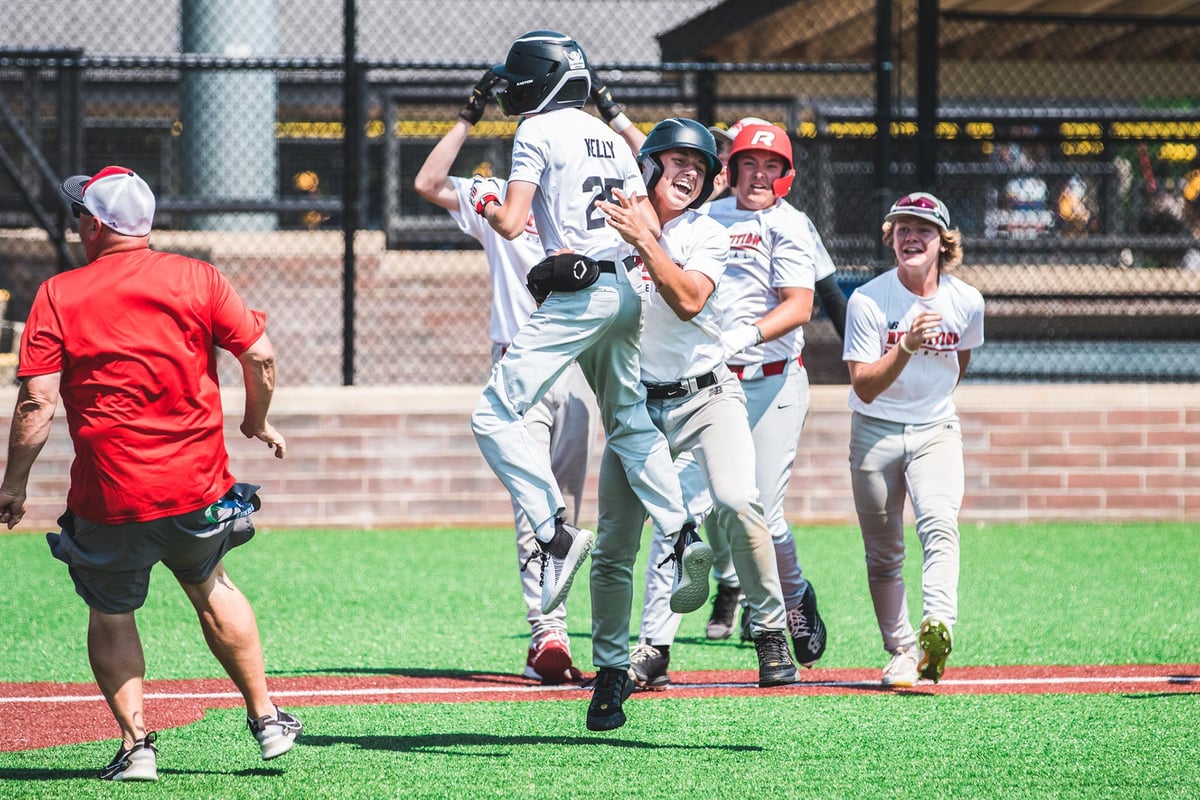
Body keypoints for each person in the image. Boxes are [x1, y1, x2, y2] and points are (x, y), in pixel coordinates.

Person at [0, 166, 301, 781]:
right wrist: (255, 422)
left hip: (108, 498)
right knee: (212, 584)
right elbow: (261, 356)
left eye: (81, 212)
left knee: (111, 611)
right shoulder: (200, 277)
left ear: (93, 225)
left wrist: (13, 486)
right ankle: (267, 720)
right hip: (197, 489)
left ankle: (138, 747)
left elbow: (36, 402)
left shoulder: (58, 293)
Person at [467, 34, 709, 685]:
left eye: (520, 79)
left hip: (579, 295)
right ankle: (683, 531)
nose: (513, 89)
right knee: (629, 423)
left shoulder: (537, 129)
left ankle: (554, 532)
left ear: (540, 80)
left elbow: (515, 224)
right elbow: (648, 230)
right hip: (629, 287)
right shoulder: (608, 135)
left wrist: (485, 201)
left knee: (492, 416)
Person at [590, 119, 796, 724]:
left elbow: (687, 299)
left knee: (737, 500)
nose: (689, 174)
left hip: (708, 396)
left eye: (700, 168)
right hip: (635, 408)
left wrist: (645, 241)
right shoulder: (608, 220)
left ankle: (769, 629)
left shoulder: (707, 233)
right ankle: (610, 671)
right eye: (677, 161)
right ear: (648, 165)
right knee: (613, 545)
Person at [413, 69, 594, 684]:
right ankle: (547, 635)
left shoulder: (583, 193)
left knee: (567, 505)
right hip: (520, 359)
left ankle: (567, 628)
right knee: (534, 502)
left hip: (579, 362)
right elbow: (427, 182)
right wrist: (471, 113)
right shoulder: (496, 194)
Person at [702, 122, 839, 668]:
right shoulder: (704, 218)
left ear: (786, 175)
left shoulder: (791, 223)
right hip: (711, 384)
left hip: (775, 379)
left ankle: (792, 598)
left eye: (771, 166)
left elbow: (801, 305)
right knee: (709, 506)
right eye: (749, 164)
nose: (759, 175)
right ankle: (725, 588)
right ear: (730, 170)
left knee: (761, 506)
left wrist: (746, 335)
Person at [842, 191, 984, 687]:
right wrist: (905, 347)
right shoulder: (868, 300)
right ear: (891, 239)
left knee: (940, 523)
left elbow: (957, 365)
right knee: (883, 554)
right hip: (874, 430)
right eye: (901, 228)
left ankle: (938, 624)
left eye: (922, 229)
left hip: (936, 430)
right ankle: (901, 651)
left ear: (944, 242)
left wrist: (927, 402)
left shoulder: (967, 301)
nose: (910, 237)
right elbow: (864, 384)